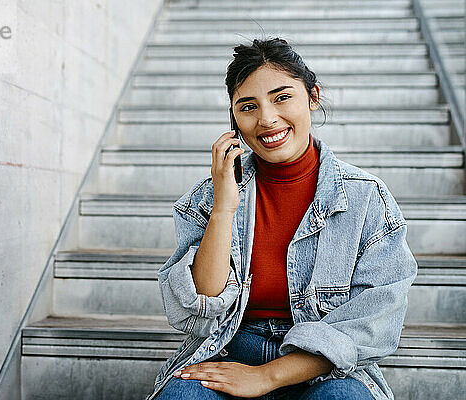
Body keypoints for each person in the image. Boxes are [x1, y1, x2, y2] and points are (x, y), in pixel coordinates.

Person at [146, 38, 418, 400]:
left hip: (323, 366)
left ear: (313, 96)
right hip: (228, 351)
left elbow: (376, 321)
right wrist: (225, 207)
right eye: (248, 106)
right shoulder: (209, 196)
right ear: (234, 120)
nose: (267, 119)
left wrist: (268, 376)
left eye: (282, 97)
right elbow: (195, 308)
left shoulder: (366, 198)